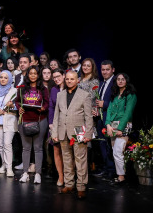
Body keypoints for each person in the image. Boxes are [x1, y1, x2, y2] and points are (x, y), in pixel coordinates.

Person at [52, 70, 94, 199]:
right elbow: (56, 115)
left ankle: (81, 186)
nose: (69, 81)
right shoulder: (60, 95)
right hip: (63, 132)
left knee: (80, 160)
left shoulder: (85, 95)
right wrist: (54, 132)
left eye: (72, 79)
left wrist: (88, 133)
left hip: (79, 132)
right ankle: (69, 184)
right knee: (67, 159)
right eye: (68, 79)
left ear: (78, 80)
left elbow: (89, 117)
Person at [15, 66, 49, 183]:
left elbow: (47, 103)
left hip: (40, 120)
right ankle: (25, 173)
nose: (33, 75)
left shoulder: (43, 89)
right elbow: (17, 101)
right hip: (25, 120)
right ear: (28, 75)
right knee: (26, 148)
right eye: (31, 73)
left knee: (38, 148)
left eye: (35, 73)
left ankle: (38, 174)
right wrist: (19, 108)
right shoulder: (22, 88)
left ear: (38, 75)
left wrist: (43, 108)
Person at [106, 73, 137, 184]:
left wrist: (120, 128)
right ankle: (120, 175)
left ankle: (121, 177)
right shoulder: (115, 94)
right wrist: (108, 125)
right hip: (112, 126)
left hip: (123, 125)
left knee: (118, 152)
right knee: (115, 151)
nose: (120, 81)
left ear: (126, 81)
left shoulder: (130, 95)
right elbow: (109, 110)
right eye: (118, 79)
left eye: (122, 79)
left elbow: (128, 113)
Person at [0, 70, 18, 177]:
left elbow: (19, 105)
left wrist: (13, 106)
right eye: (1, 77)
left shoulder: (14, 91)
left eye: (5, 77)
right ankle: (3, 165)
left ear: (9, 79)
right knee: (1, 145)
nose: (3, 79)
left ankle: (9, 168)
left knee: (8, 144)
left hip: (10, 120)